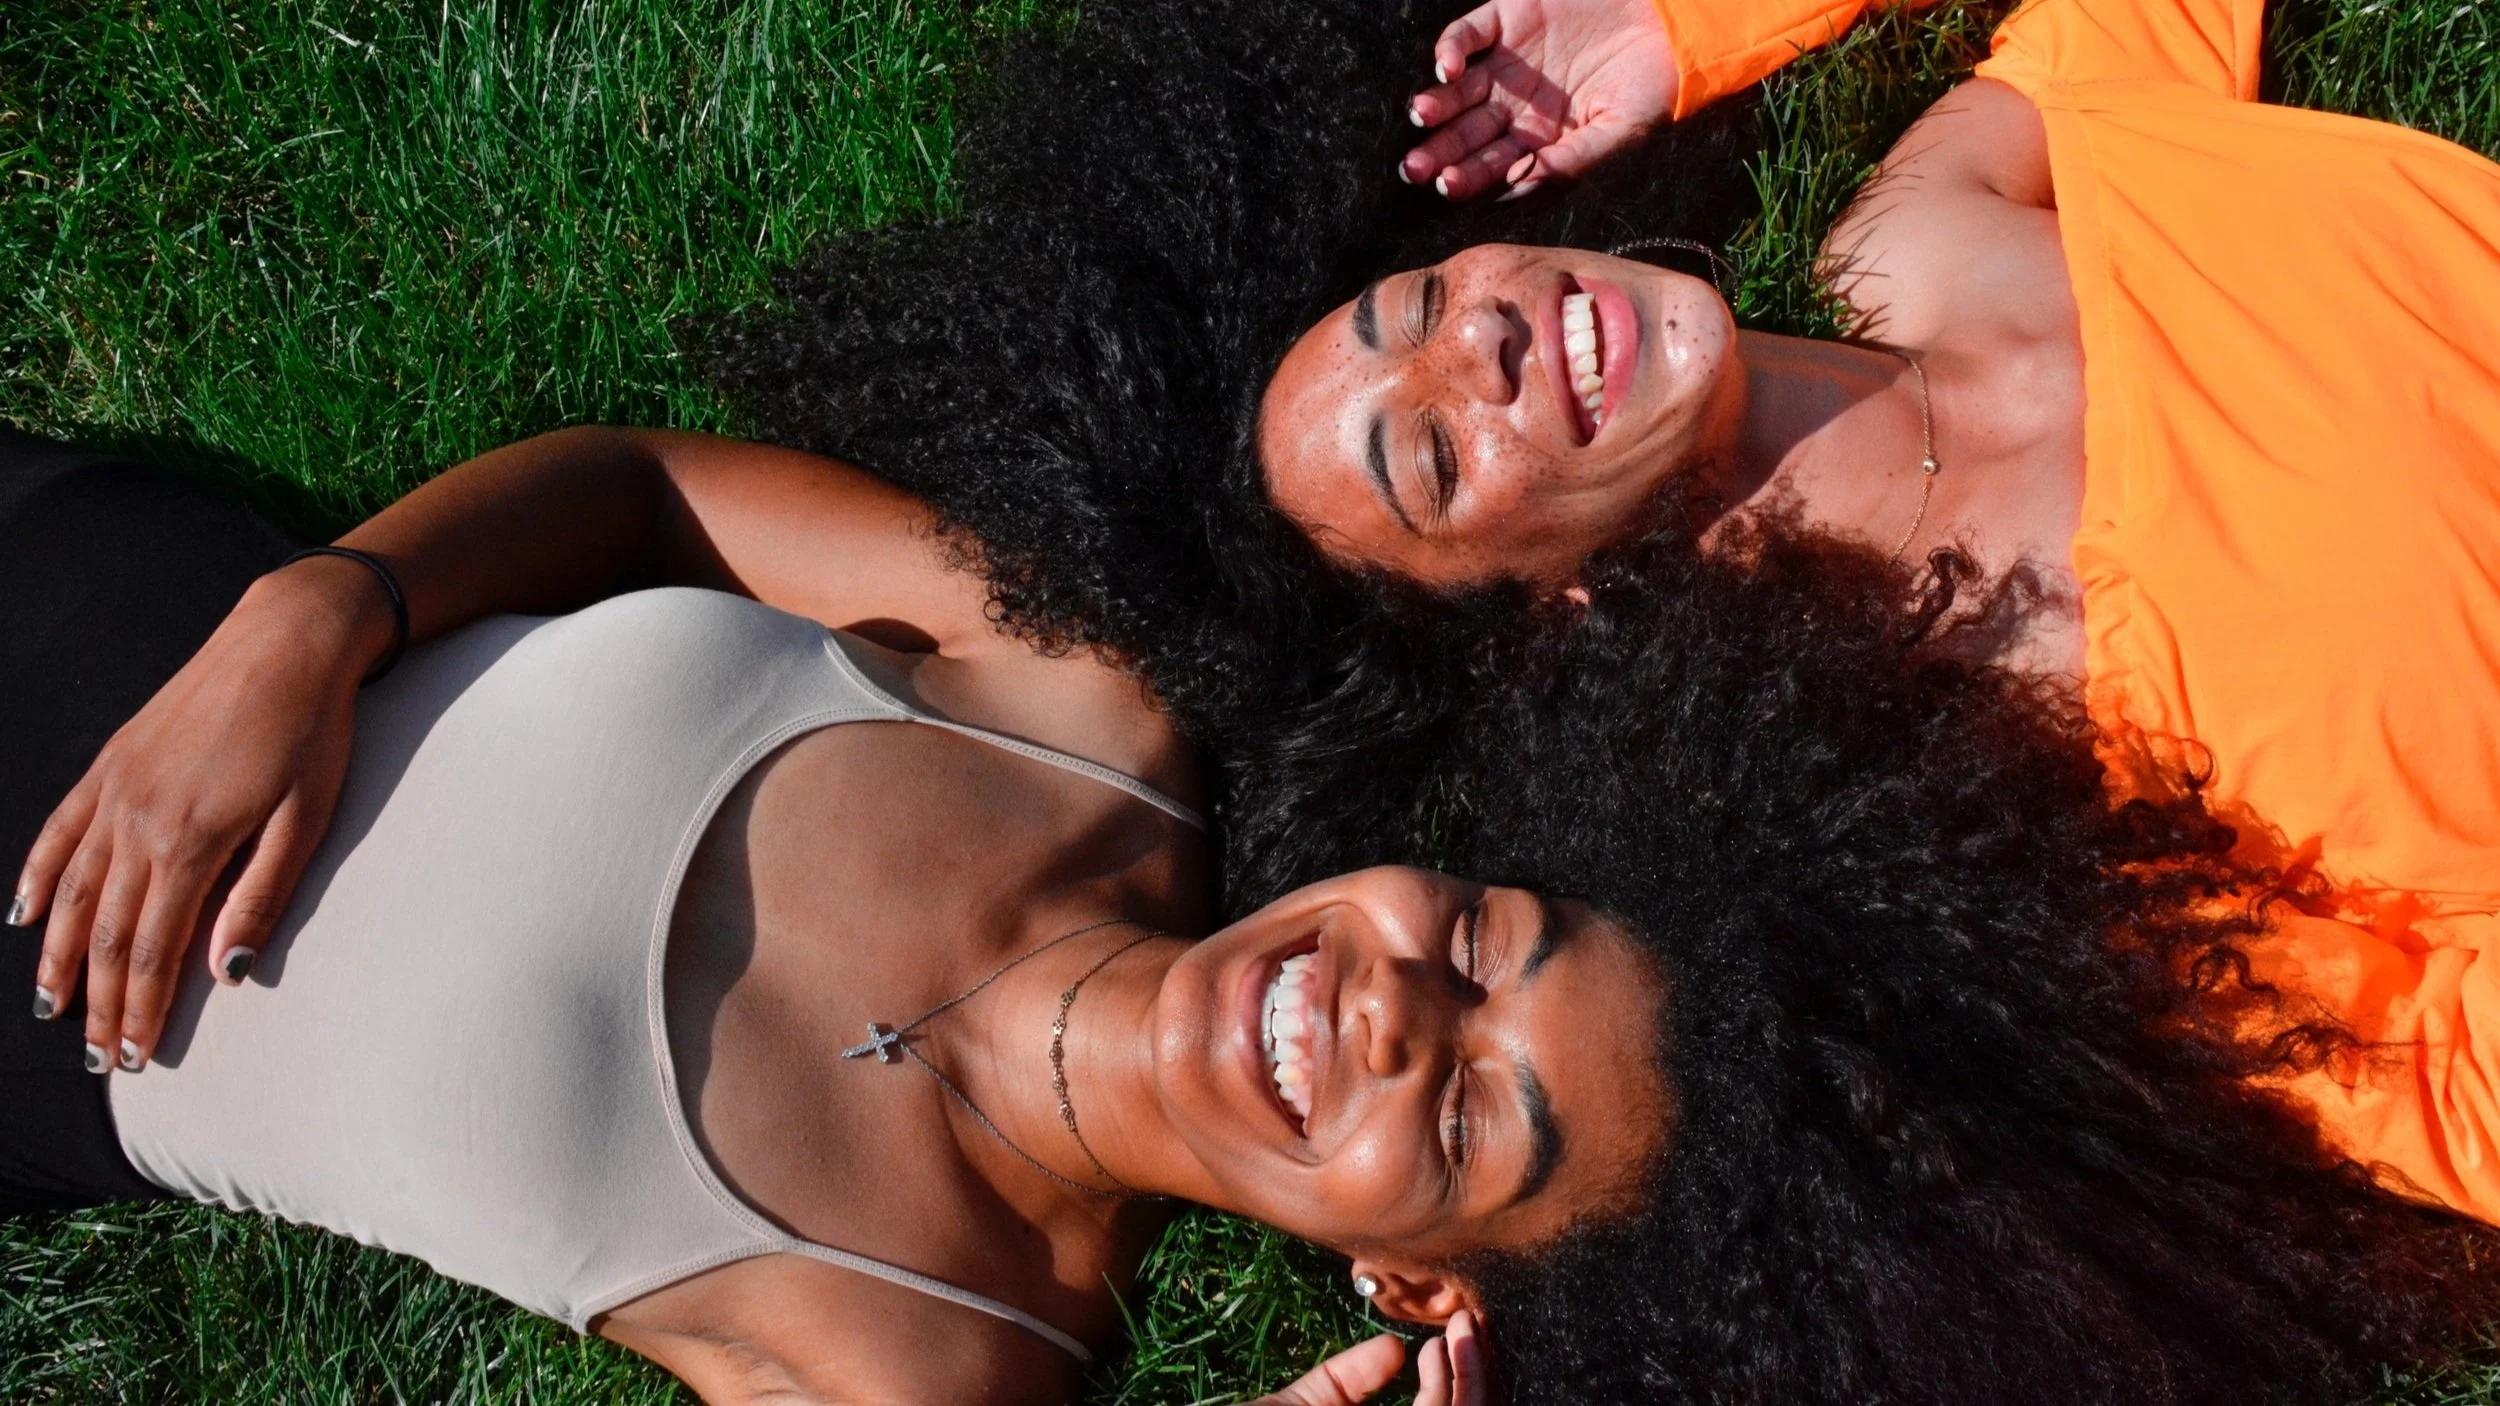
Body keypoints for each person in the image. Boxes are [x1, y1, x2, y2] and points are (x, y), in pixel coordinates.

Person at [10, 425, 2500, 1405]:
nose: (1394, 1005)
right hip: (97, 576)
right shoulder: (1082, 706)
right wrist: (317, 612)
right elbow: (649, 490)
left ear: (1413, 1277)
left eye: (1477, 1116)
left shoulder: (933, 1350)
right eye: (1483, 938)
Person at [1249, 0, 2500, 1230]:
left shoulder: (1913, 234)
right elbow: (2445, 1082)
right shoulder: (2006, 788)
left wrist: (1679, 28)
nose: (1479, 333)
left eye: (1421, 301)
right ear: (1542, 618)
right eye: (1434, 455)